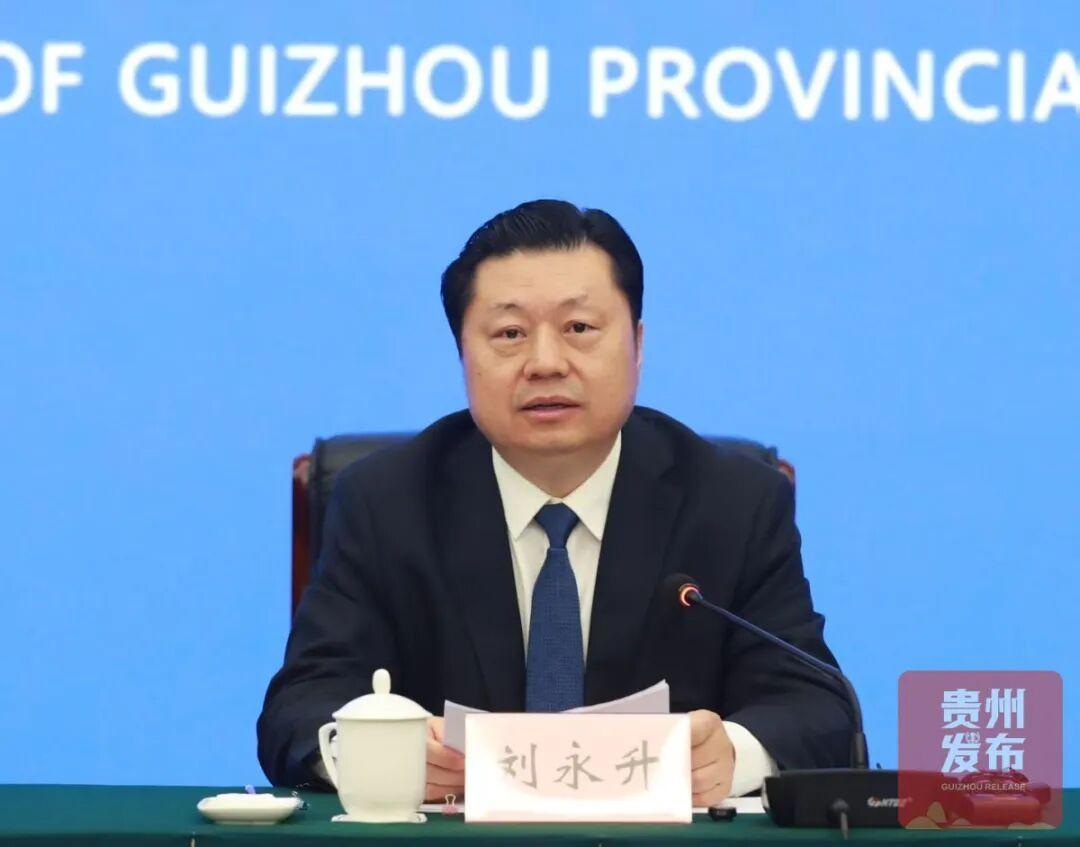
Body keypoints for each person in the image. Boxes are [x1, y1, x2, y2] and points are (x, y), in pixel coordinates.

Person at [257, 199, 856, 805]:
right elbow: (299, 709)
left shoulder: (733, 502)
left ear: (637, 344)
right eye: (510, 334)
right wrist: (379, 753)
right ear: (463, 353)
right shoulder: (385, 502)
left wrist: (733, 754)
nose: (545, 363)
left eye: (579, 329)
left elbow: (816, 707)